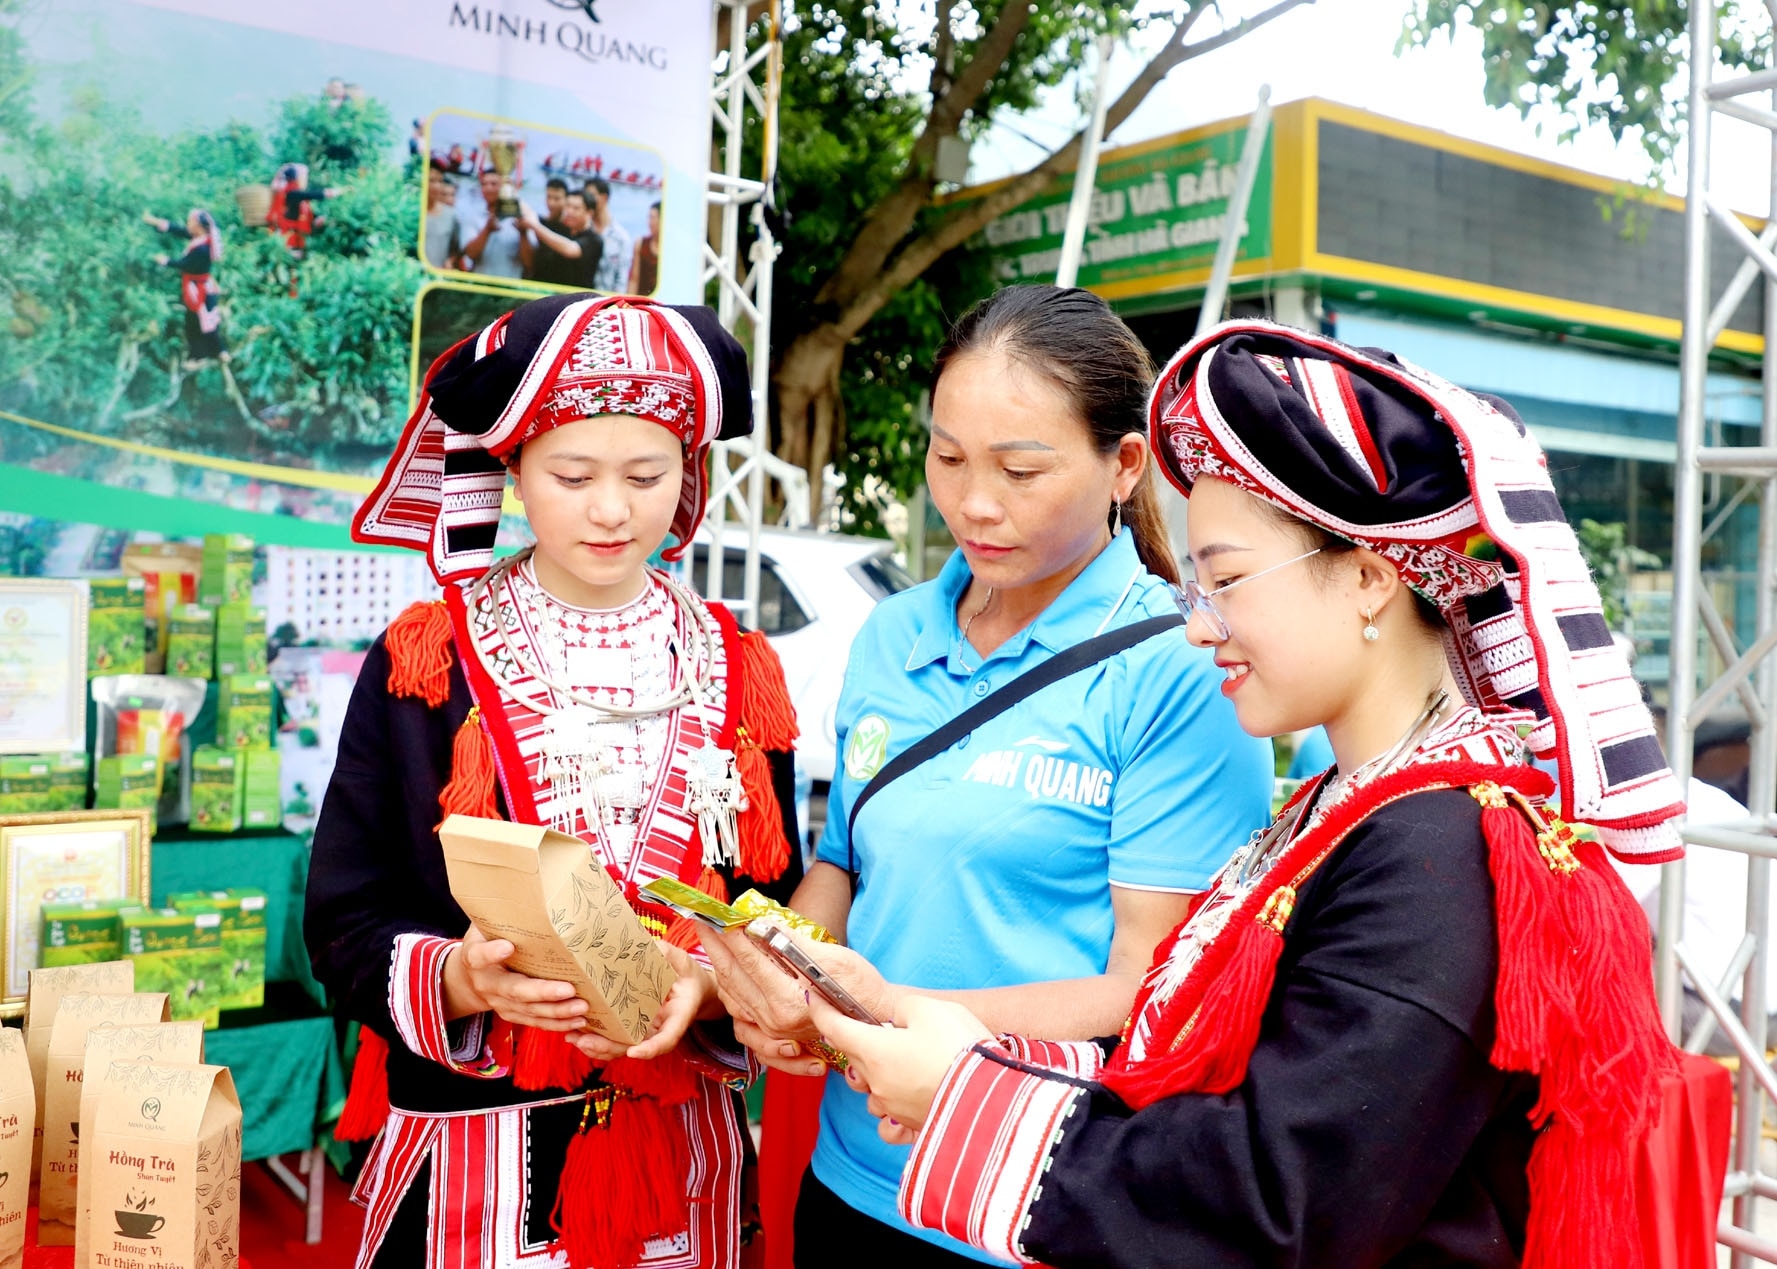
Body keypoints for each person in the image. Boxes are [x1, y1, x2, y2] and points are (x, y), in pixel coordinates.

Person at [796, 321, 1688, 1267]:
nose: (1196, 624)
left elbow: (1282, 1199)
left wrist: (964, 1094)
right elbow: (1198, 1076)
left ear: (1369, 579)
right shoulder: (1354, 809)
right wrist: (954, 1061)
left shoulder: (1441, 855)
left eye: (1223, 578)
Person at [705, 285, 1272, 1266]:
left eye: (1019, 469)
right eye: (948, 456)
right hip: (850, 1177)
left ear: (1121, 465)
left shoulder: (1179, 667)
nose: (973, 502)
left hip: (1026, 1196)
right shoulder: (893, 633)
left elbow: (1151, 987)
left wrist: (877, 1009)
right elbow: (844, 867)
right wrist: (781, 973)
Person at [309, 293, 804, 1269]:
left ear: (688, 475)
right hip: (468, 1158)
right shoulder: (427, 661)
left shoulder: (739, 666)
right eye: (572, 474)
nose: (612, 509)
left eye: (646, 474)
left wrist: (709, 988)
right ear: (515, 470)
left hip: (684, 1160)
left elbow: (772, 903)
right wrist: (457, 975)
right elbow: (342, 919)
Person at [144, 208, 226, 363]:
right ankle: (219, 352)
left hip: (198, 289)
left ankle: (200, 356)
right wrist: (154, 221)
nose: (187, 224)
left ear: (199, 227)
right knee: (207, 320)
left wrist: (165, 260)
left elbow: (186, 265)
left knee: (197, 322)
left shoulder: (202, 248)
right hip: (202, 286)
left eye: (190, 222)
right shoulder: (202, 238)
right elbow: (179, 230)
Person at [524, 187, 603, 289]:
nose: (569, 212)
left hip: (577, 299)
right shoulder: (558, 230)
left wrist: (535, 226)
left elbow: (570, 249)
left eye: (576, 208)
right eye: (568, 206)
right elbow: (528, 213)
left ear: (589, 213)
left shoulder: (594, 240)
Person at [461, 167, 530, 279]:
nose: (488, 188)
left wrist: (523, 234)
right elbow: (470, 254)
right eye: (484, 184)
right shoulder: (472, 216)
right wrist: (487, 230)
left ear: (505, 187)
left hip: (511, 287)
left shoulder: (522, 216)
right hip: (479, 286)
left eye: (494, 184)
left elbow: (529, 264)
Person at [268, 162, 338, 260]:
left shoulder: (294, 194)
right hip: (287, 236)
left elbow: (303, 212)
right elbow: (312, 195)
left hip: (295, 236)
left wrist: (317, 218)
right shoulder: (291, 193)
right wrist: (335, 192)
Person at [586, 176, 632, 293]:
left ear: (604, 198)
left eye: (591, 195)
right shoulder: (582, 229)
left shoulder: (621, 237)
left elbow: (622, 279)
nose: (588, 200)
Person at [422, 168, 462, 271]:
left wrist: (450, 261)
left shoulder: (451, 216)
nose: (436, 186)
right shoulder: (412, 211)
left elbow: (456, 249)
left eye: (440, 181)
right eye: (431, 181)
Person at [628, 201, 661, 295]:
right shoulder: (640, 243)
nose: (649, 222)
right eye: (649, 217)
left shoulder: (671, 248)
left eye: (653, 218)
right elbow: (634, 279)